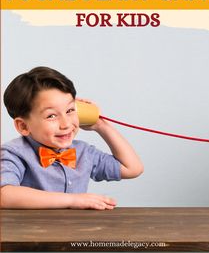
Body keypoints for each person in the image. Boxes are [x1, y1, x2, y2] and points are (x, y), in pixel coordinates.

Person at [1, 66, 143, 210]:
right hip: (30, 231)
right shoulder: (13, 153)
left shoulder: (83, 152)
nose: (66, 124)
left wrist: (101, 126)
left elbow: (133, 169)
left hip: (73, 230)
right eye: (51, 116)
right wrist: (72, 200)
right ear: (23, 126)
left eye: (70, 110)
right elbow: (4, 195)